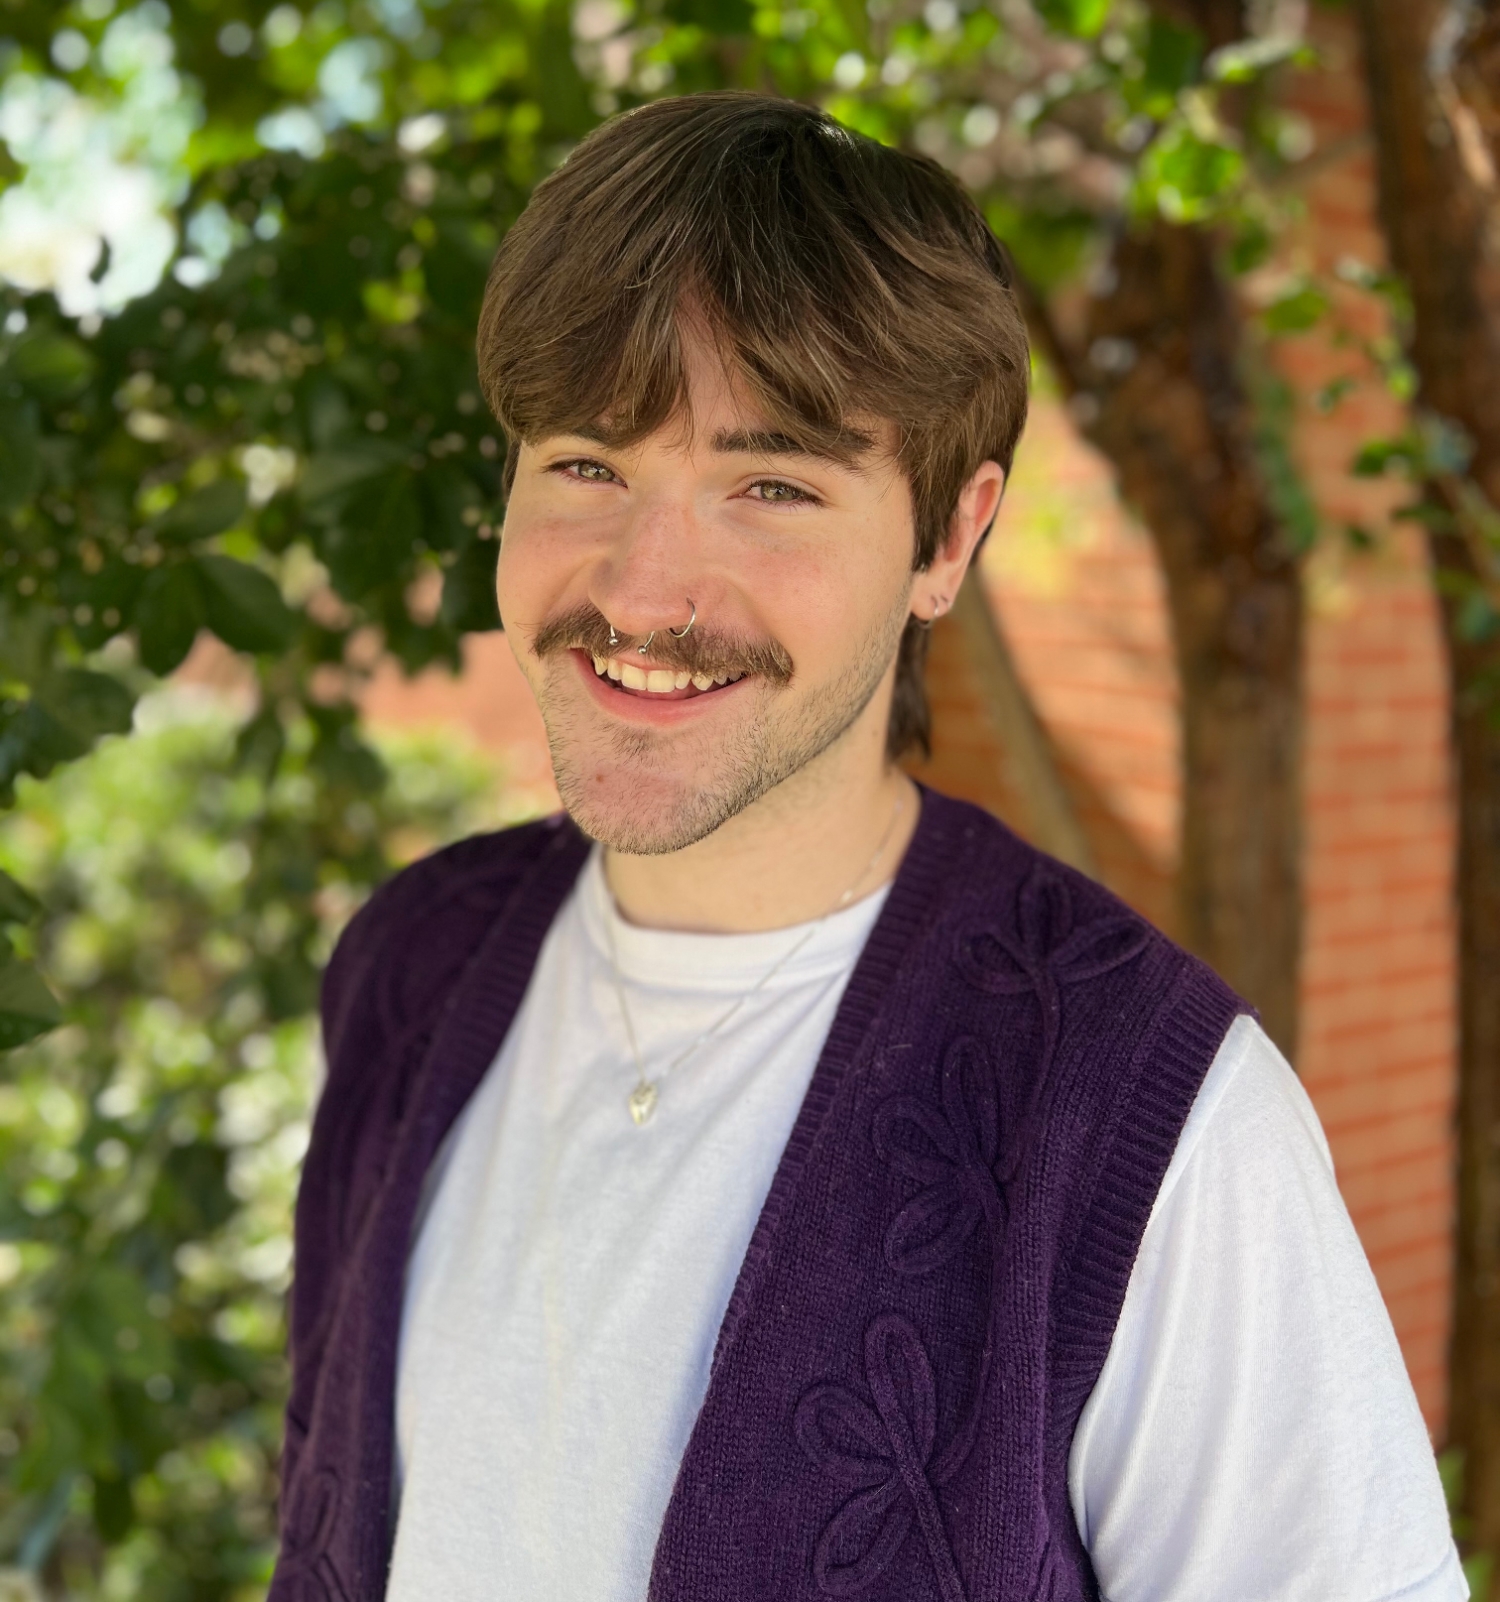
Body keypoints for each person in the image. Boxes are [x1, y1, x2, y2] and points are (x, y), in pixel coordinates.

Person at [270, 94, 1463, 1602]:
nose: (642, 591)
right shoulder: (409, 967)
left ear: (948, 541)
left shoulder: (1148, 1119)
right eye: (587, 464)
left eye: (770, 487)